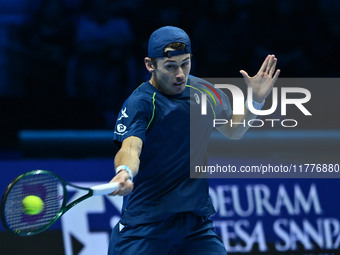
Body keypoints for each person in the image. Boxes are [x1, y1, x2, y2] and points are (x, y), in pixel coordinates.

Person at [108, 26, 280, 255]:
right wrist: (124, 172)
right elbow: (130, 147)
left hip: (195, 228)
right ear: (150, 65)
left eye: (185, 63)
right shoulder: (140, 103)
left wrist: (255, 101)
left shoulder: (205, 92)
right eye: (170, 66)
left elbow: (234, 130)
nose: (180, 74)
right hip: (144, 228)